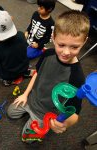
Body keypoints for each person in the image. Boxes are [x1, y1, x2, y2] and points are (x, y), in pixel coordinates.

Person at [7, 10, 90, 142]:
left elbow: (74, 113)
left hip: (45, 114)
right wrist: (25, 94)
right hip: (31, 99)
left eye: (74, 47)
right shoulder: (47, 54)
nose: (66, 52)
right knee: (10, 113)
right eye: (61, 45)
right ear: (53, 37)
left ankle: (34, 121)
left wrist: (64, 124)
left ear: (84, 42)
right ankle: (28, 110)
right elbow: (37, 74)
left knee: (27, 139)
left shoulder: (77, 77)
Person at [0, 10, 35, 86]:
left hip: (9, 75)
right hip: (23, 67)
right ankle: (25, 73)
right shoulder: (21, 35)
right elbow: (23, 49)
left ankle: (8, 81)